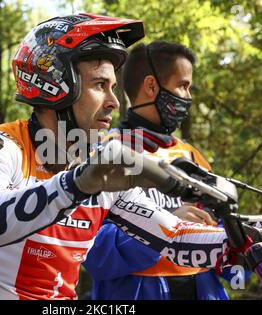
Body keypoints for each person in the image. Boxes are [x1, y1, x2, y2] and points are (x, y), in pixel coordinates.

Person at [0, 14, 232, 300]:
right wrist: (75, 185)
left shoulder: (98, 166)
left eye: (113, 87)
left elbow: (175, 238)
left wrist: (253, 239)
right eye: (100, 85)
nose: (115, 102)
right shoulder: (0, 147)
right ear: (56, 86)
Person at [83, 41, 242, 300]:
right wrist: (168, 223)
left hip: (205, 289)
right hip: (136, 292)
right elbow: (93, 249)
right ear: (151, 86)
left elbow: (226, 249)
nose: (188, 97)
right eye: (183, 85)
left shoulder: (192, 157)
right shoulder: (104, 155)